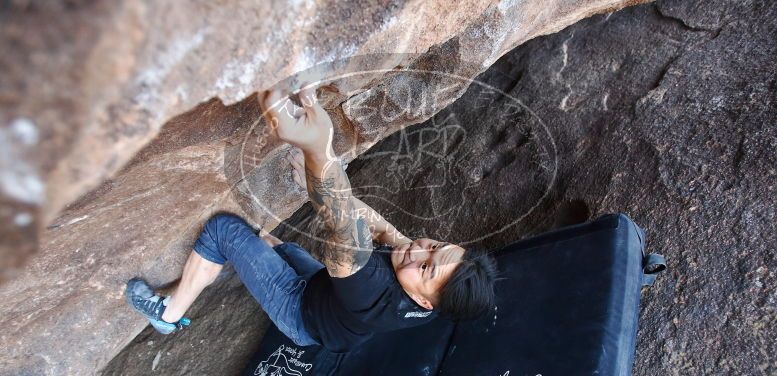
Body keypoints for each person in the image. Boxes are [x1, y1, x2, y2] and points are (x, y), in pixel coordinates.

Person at [125, 85, 498, 353]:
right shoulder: (433, 293)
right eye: (433, 246)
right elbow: (384, 231)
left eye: (427, 267)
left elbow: (343, 224)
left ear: (426, 303)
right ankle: (234, 260)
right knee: (270, 242)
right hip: (324, 296)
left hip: (300, 313)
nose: (418, 251)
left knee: (225, 229)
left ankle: (167, 315)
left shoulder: (371, 289)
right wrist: (314, 175)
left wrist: (317, 148)